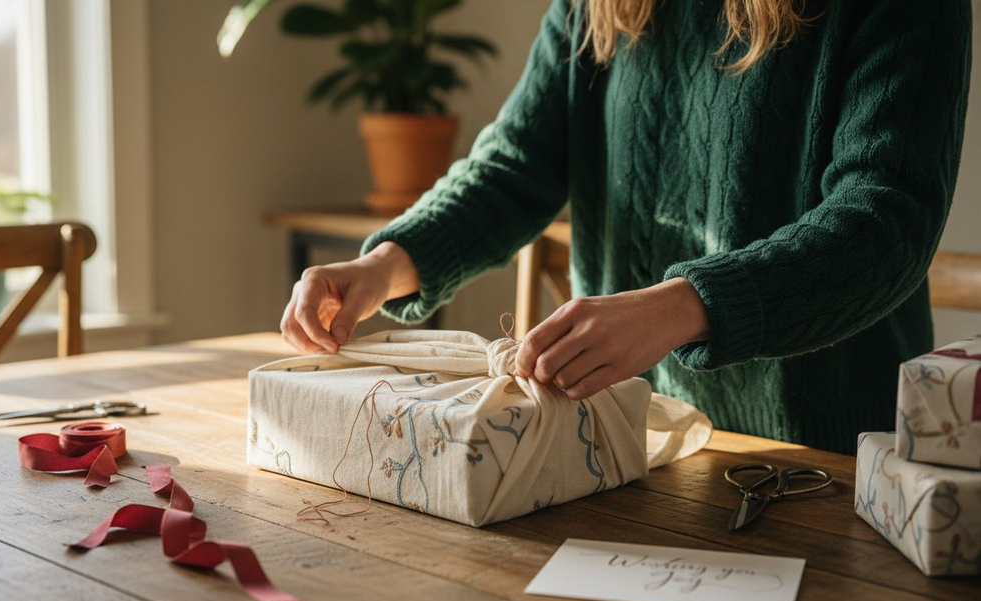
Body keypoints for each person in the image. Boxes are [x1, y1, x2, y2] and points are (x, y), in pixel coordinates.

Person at [280, 0, 972, 454]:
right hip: (624, 447)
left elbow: (886, 221)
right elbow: (518, 162)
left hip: (828, 459)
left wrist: (686, 306)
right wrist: (385, 264)